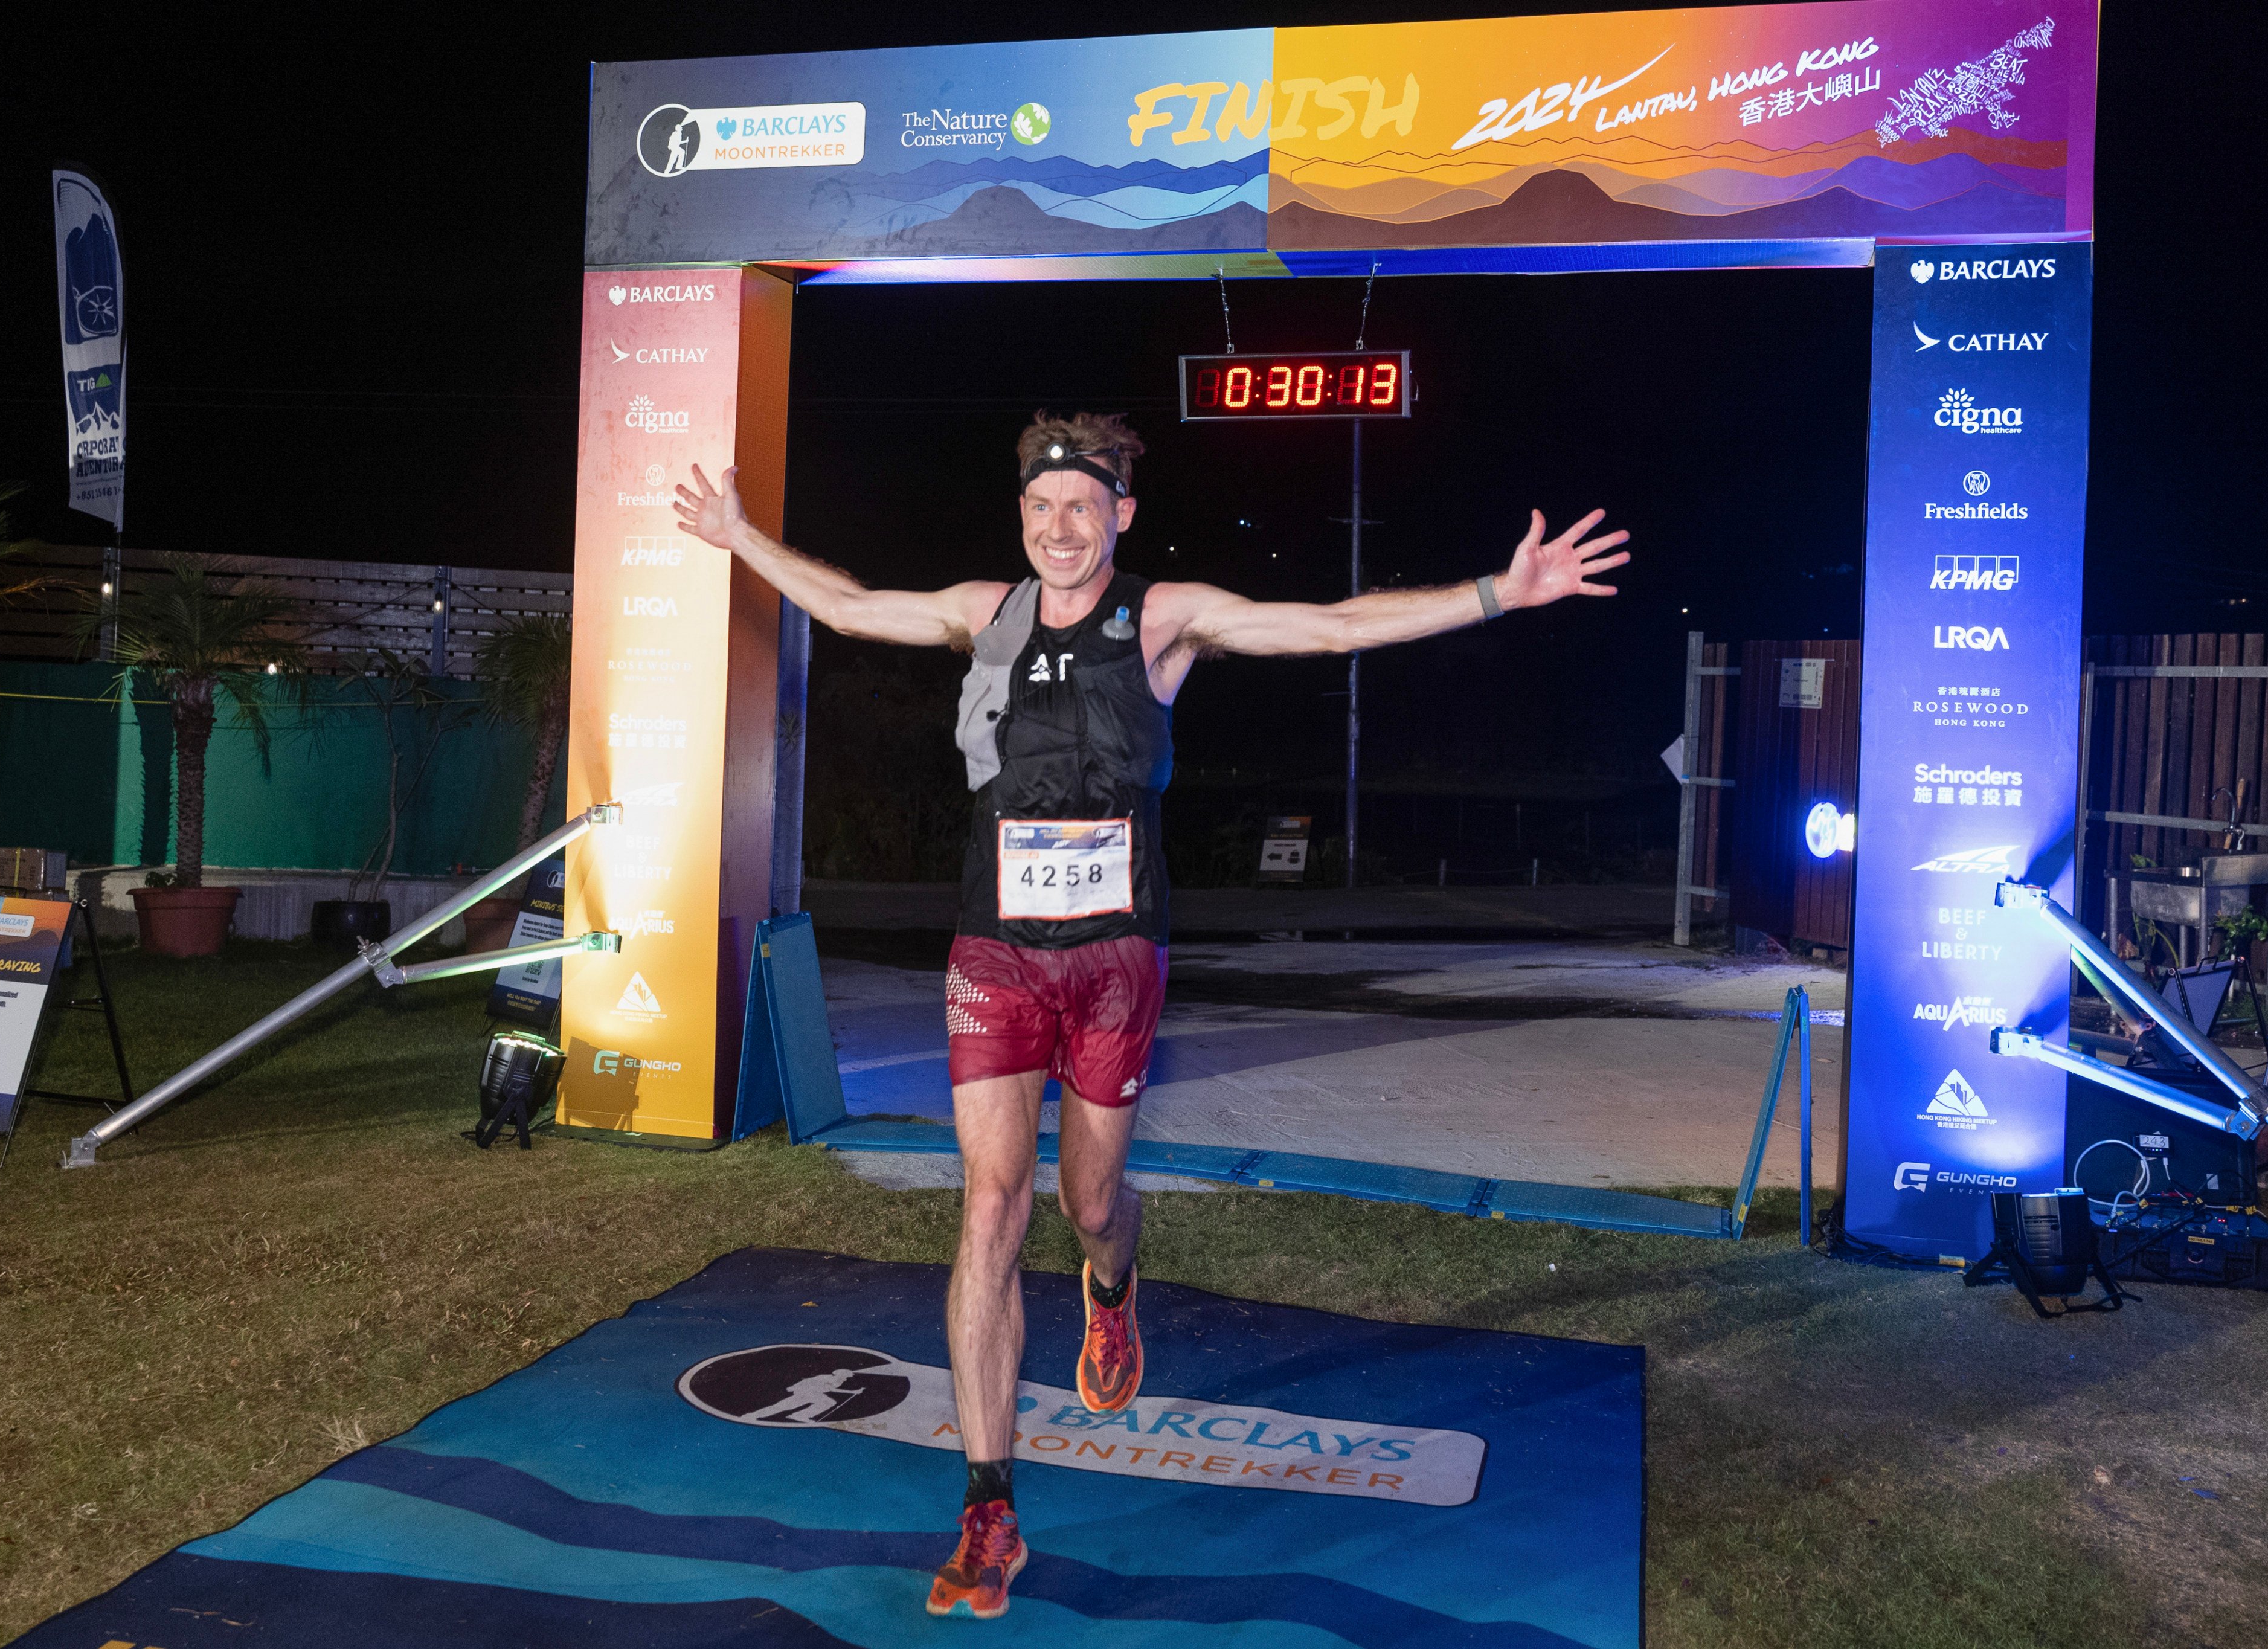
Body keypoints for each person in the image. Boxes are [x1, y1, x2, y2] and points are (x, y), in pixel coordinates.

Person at [674, 413, 1628, 1620]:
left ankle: (1112, 1286)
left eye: (1082, 507)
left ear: (1120, 515)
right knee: (990, 1202)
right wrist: (740, 535)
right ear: (1019, 520)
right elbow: (857, 605)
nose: (1059, 528)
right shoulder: (986, 611)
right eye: (1040, 509)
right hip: (995, 954)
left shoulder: (1162, 617)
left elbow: (1331, 627)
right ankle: (987, 1505)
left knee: (1085, 1204)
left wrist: (1498, 591)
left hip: (1117, 963)